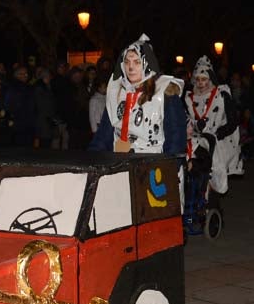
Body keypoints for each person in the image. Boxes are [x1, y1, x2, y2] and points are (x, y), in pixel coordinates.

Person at [89, 33, 187, 155]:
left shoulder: (165, 93)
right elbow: (103, 135)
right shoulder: (117, 93)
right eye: (127, 62)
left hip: (153, 165)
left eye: (136, 62)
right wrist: (92, 160)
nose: (130, 68)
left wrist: (169, 168)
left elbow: (176, 138)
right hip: (120, 164)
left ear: (147, 64)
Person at [185, 56, 242, 193]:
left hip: (217, 141)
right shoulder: (189, 99)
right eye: (197, 79)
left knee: (212, 172)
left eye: (203, 79)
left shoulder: (222, 96)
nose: (200, 83)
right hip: (196, 139)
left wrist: (219, 133)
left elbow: (232, 121)